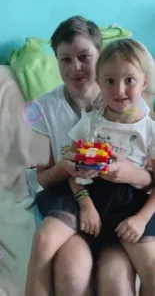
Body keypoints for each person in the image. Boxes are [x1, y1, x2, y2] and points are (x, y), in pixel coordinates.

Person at [25, 17, 153, 296]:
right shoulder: (38, 109)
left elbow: (148, 172)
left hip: (120, 202)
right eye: (65, 59)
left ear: (100, 55)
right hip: (70, 196)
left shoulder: (130, 100)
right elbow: (40, 176)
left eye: (85, 57)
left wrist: (134, 175)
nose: (76, 68)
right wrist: (64, 168)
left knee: (118, 281)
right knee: (65, 264)